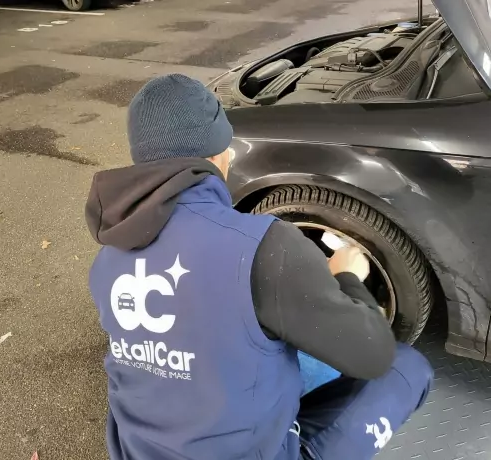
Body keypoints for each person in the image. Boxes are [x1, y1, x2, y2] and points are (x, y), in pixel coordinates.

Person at [85, 73, 434, 460]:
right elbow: (372, 355)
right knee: (406, 366)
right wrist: (347, 276)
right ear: (220, 156)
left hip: (137, 451)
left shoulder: (109, 256)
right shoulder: (265, 246)